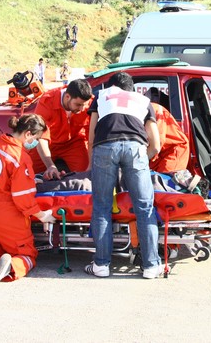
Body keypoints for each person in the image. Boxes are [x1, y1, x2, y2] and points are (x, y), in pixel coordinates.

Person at [0, 114, 56, 287]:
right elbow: (23, 198)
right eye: (36, 139)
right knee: (27, 255)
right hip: (6, 218)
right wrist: (42, 215)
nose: (34, 144)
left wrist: (26, 179)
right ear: (28, 134)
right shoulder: (19, 157)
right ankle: (11, 266)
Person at [86, 71, 162, 279]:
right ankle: (151, 266)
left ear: (110, 86)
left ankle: (101, 265)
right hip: (135, 148)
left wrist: (93, 163)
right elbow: (155, 144)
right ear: (132, 89)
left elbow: (92, 137)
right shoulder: (144, 101)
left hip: (104, 147)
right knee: (145, 208)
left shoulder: (100, 97)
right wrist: (141, 162)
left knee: (101, 207)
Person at [29, 78, 93, 178]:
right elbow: (40, 136)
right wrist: (50, 166)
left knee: (86, 175)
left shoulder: (90, 103)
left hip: (74, 143)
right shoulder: (47, 101)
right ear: (67, 97)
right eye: (78, 105)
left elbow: (91, 137)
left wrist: (90, 166)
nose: (81, 109)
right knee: (27, 172)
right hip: (49, 143)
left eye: (84, 105)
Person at [144, 88, 190, 174]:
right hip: (161, 154)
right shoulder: (143, 110)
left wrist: (140, 159)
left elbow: (158, 143)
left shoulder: (153, 110)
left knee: (167, 184)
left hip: (174, 152)